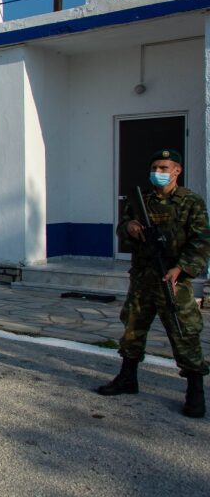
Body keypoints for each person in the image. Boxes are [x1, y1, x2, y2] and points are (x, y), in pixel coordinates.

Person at [97, 149, 208, 418]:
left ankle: (195, 391)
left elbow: (201, 241)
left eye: (164, 168)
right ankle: (127, 378)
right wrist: (131, 227)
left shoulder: (190, 202)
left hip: (173, 278)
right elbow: (122, 229)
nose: (158, 172)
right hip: (143, 276)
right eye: (155, 167)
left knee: (184, 332)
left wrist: (180, 268)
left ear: (177, 171)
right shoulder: (141, 200)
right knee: (133, 328)